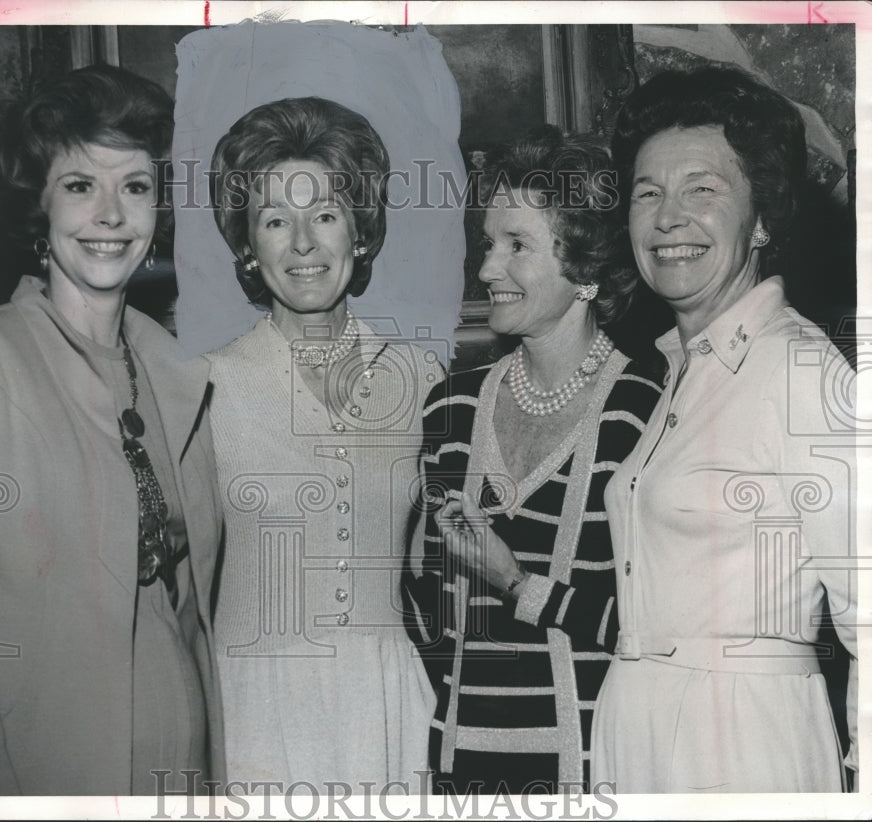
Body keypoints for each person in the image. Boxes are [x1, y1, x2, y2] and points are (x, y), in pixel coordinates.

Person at [0, 65, 225, 795]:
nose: (110, 214)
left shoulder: (178, 372)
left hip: (187, 763)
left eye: (135, 187)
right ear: (38, 208)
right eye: (81, 186)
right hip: (47, 769)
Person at [591, 66, 858, 793]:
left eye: (702, 190)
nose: (668, 217)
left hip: (745, 743)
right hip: (636, 732)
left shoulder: (802, 371)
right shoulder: (677, 370)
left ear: (762, 218)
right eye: (649, 193)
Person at [414, 127, 663, 794]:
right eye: (488, 245)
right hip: (459, 768)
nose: (488, 268)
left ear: (583, 268)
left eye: (516, 246)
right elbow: (424, 613)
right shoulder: (451, 409)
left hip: (600, 770)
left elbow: (655, 633)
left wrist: (517, 584)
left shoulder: (645, 414)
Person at [207, 97, 441, 791]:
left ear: (360, 235)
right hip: (255, 711)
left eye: (327, 216)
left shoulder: (422, 377)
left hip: (387, 706)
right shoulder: (203, 388)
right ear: (248, 246)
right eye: (276, 220)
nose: (303, 244)